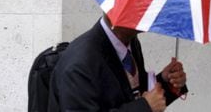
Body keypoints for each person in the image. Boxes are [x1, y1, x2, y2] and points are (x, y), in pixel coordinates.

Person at [47, 14, 187, 112]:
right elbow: (143, 103)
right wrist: (144, 107)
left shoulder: (130, 41)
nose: (149, 12)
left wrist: (166, 82)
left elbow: (133, 93)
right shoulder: (80, 64)